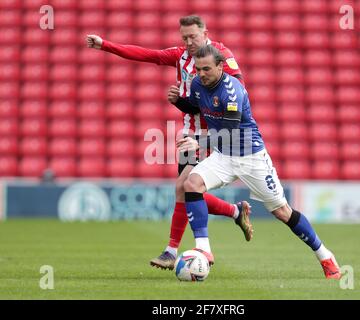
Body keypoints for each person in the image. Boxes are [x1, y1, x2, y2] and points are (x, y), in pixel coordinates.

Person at [86, 15, 253, 270]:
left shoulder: (221, 54)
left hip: (213, 133)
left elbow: (238, 87)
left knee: (182, 187)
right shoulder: (179, 56)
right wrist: (105, 45)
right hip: (189, 133)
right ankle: (234, 212)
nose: (188, 42)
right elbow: (146, 54)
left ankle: (173, 250)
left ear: (204, 32)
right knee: (187, 190)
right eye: (184, 37)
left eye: (193, 37)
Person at [169, 44, 341, 279]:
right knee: (191, 184)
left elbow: (229, 130)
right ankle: (204, 249)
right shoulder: (199, 83)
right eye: (198, 69)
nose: (201, 74)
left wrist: (198, 142)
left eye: (206, 69)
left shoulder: (232, 91)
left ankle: (325, 255)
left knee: (282, 212)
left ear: (220, 66)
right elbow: (196, 106)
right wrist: (179, 101)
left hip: (251, 157)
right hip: (223, 156)